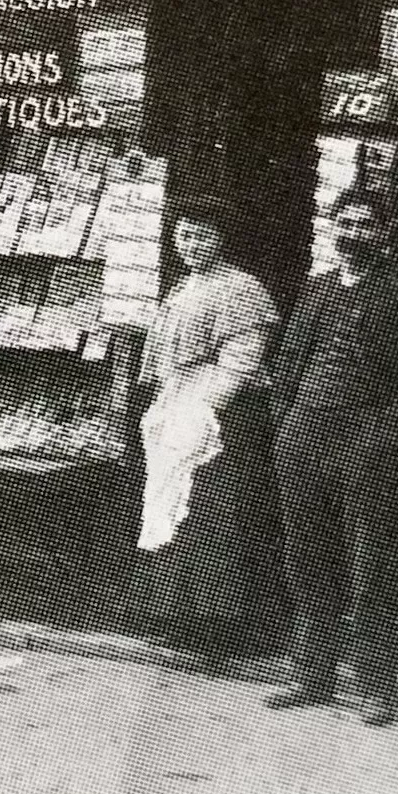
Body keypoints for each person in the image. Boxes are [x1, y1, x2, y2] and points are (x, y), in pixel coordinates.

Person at [264, 188, 398, 725]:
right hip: (305, 439)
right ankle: (312, 674)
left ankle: (375, 685)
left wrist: (386, 429)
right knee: (307, 558)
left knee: (369, 565)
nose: (354, 234)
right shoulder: (318, 290)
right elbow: (288, 361)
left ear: (384, 233)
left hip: (365, 443)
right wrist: (288, 421)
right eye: (345, 223)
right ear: (331, 227)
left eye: (366, 225)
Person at [133, 201, 282, 658]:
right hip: (179, 406)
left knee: (212, 518)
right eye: (184, 237)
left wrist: (198, 408)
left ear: (221, 239)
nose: (192, 246)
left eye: (203, 236)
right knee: (173, 509)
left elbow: (240, 364)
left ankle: (222, 627)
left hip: (218, 418)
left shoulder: (240, 289)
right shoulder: (183, 287)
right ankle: (178, 617)